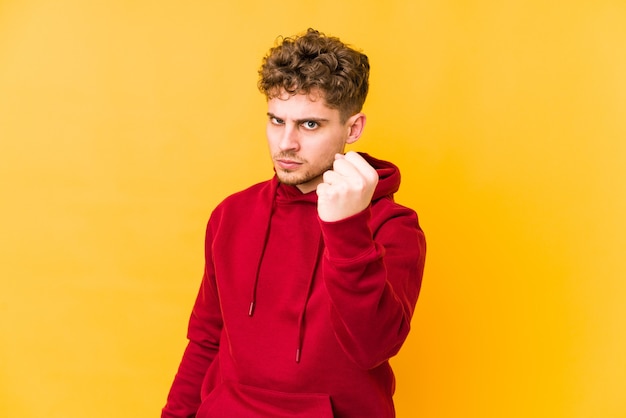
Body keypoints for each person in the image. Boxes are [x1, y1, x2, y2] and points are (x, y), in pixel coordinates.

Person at [162, 28, 426, 418]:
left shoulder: (393, 226)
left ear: (352, 129)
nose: (286, 142)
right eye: (276, 120)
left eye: (309, 125)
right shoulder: (230, 215)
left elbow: (372, 346)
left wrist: (346, 228)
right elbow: (205, 340)